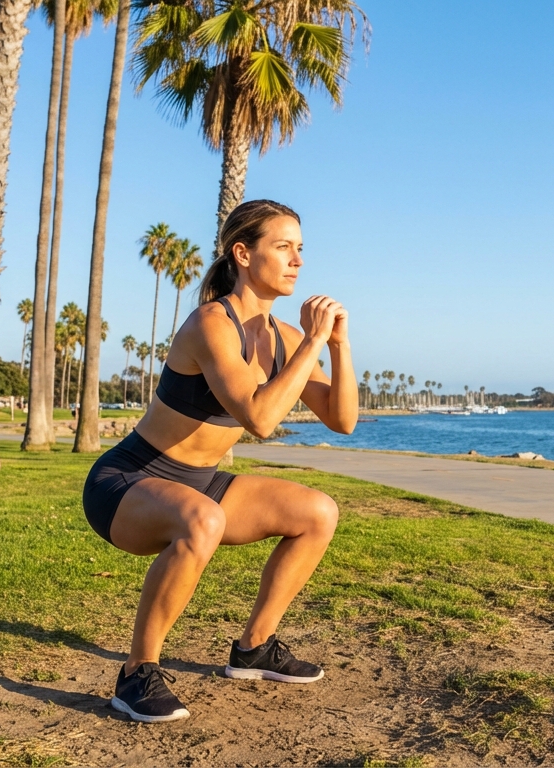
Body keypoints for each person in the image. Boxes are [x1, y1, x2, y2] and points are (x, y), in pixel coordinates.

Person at [82, 200, 356, 723]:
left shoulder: (287, 340)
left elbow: (342, 421)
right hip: (127, 482)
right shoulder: (212, 323)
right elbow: (259, 417)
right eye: (283, 247)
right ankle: (137, 673)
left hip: (198, 483)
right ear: (243, 254)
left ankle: (254, 648)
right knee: (201, 519)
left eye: (301, 249)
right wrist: (314, 340)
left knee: (318, 512)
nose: (297, 260)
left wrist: (338, 346)